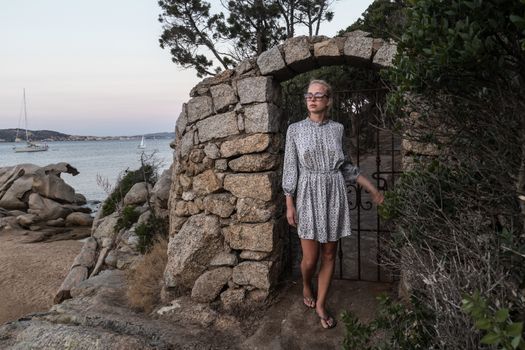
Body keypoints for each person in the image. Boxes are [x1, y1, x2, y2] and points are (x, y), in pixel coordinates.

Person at [282, 79, 384, 329]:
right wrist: (289, 203)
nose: (312, 99)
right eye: (309, 95)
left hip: (333, 193)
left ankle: (321, 304)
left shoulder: (338, 129)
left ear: (328, 100)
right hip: (307, 193)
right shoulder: (294, 130)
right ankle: (307, 284)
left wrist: (371, 188)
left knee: (329, 254)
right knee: (310, 258)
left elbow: (346, 166)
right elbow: (290, 169)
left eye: (318, 95)